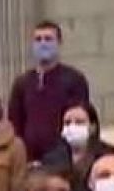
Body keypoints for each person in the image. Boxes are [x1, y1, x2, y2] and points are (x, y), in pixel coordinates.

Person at [8, 20, 90, 161]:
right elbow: (15, 123)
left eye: (48, 39)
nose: (43, 44)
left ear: (59, 43)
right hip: (29, 160)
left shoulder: (74, 79)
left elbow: (79, 119)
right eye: (38, 39)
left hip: (63, 158)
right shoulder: (22, 83)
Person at [43, 101, 114, 191]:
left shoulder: (109, 156)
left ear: (93, 127)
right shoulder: (51, 159)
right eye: (67, 122)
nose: (72, 127)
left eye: (79, 122)